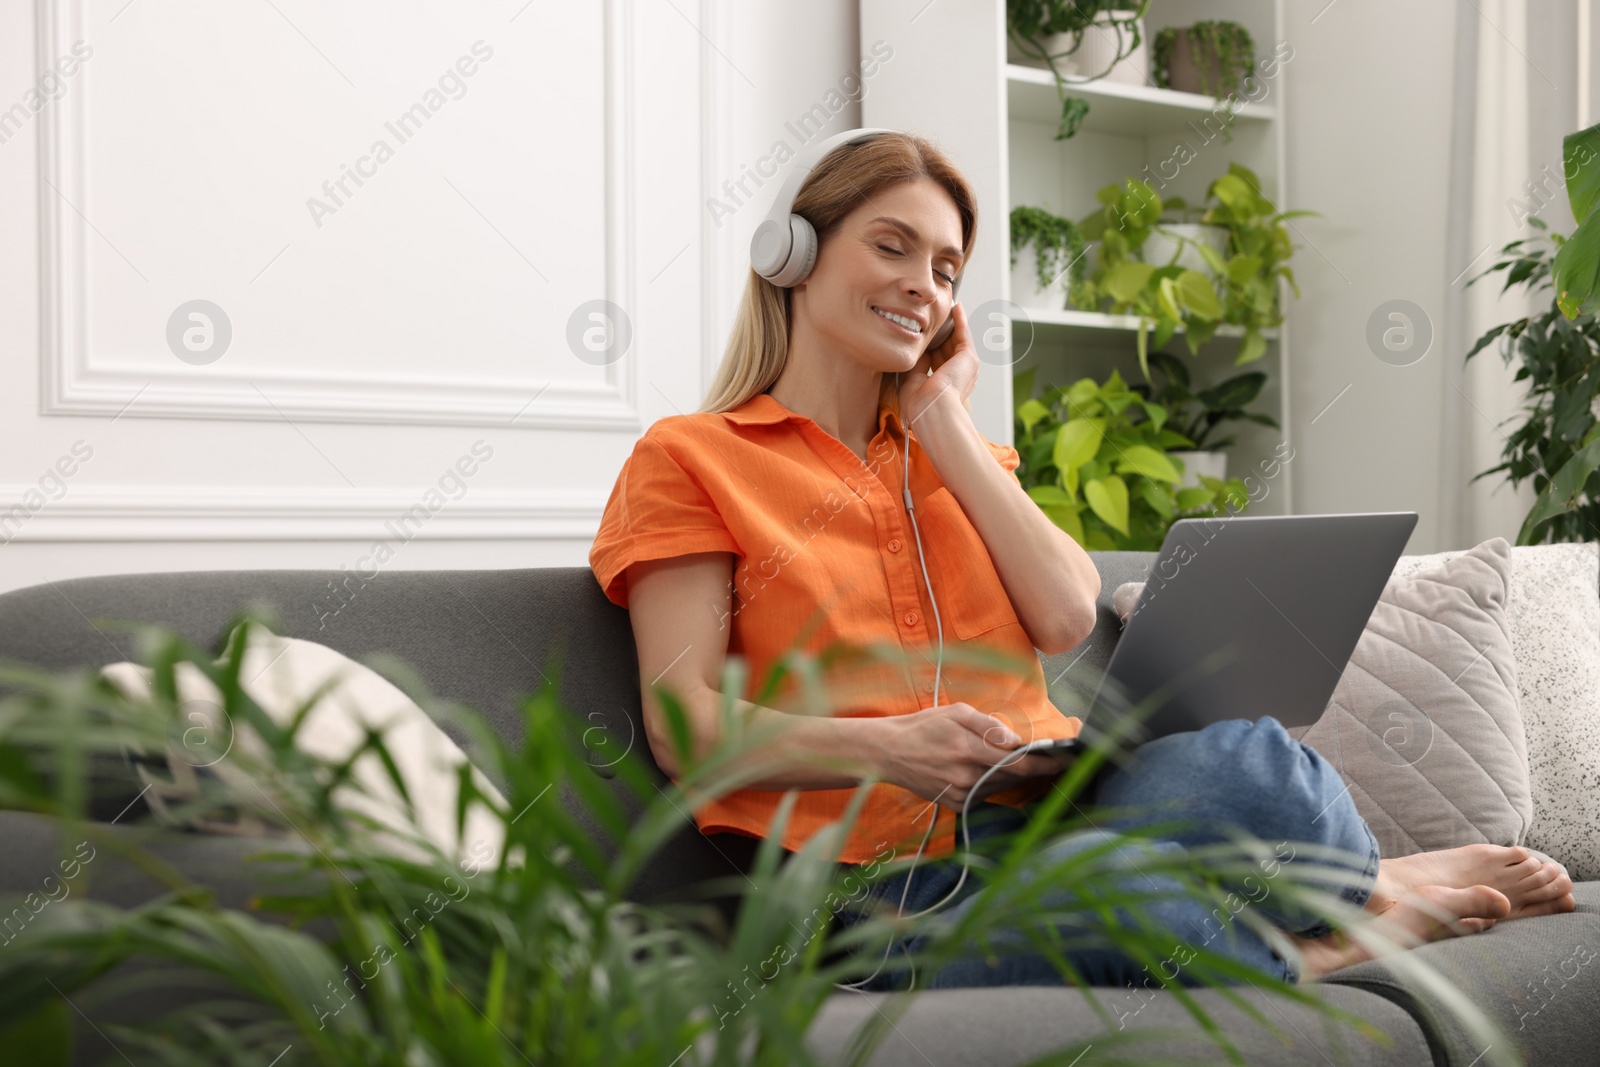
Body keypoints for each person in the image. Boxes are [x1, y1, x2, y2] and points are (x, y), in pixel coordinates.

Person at [586, 130, 1575, 992]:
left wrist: (943, 423)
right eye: (890, 246)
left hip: (1048, 813)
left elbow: (1066, 613)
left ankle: (1354, 880)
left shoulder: (959, 461)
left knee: (1257, 762)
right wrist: (887, 747)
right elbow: (686, 726)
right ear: (791, 255)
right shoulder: (691, 458)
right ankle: (1333, 933)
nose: (920, 286)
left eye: (944, 269)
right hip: (861, 883)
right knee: (1124, 897)